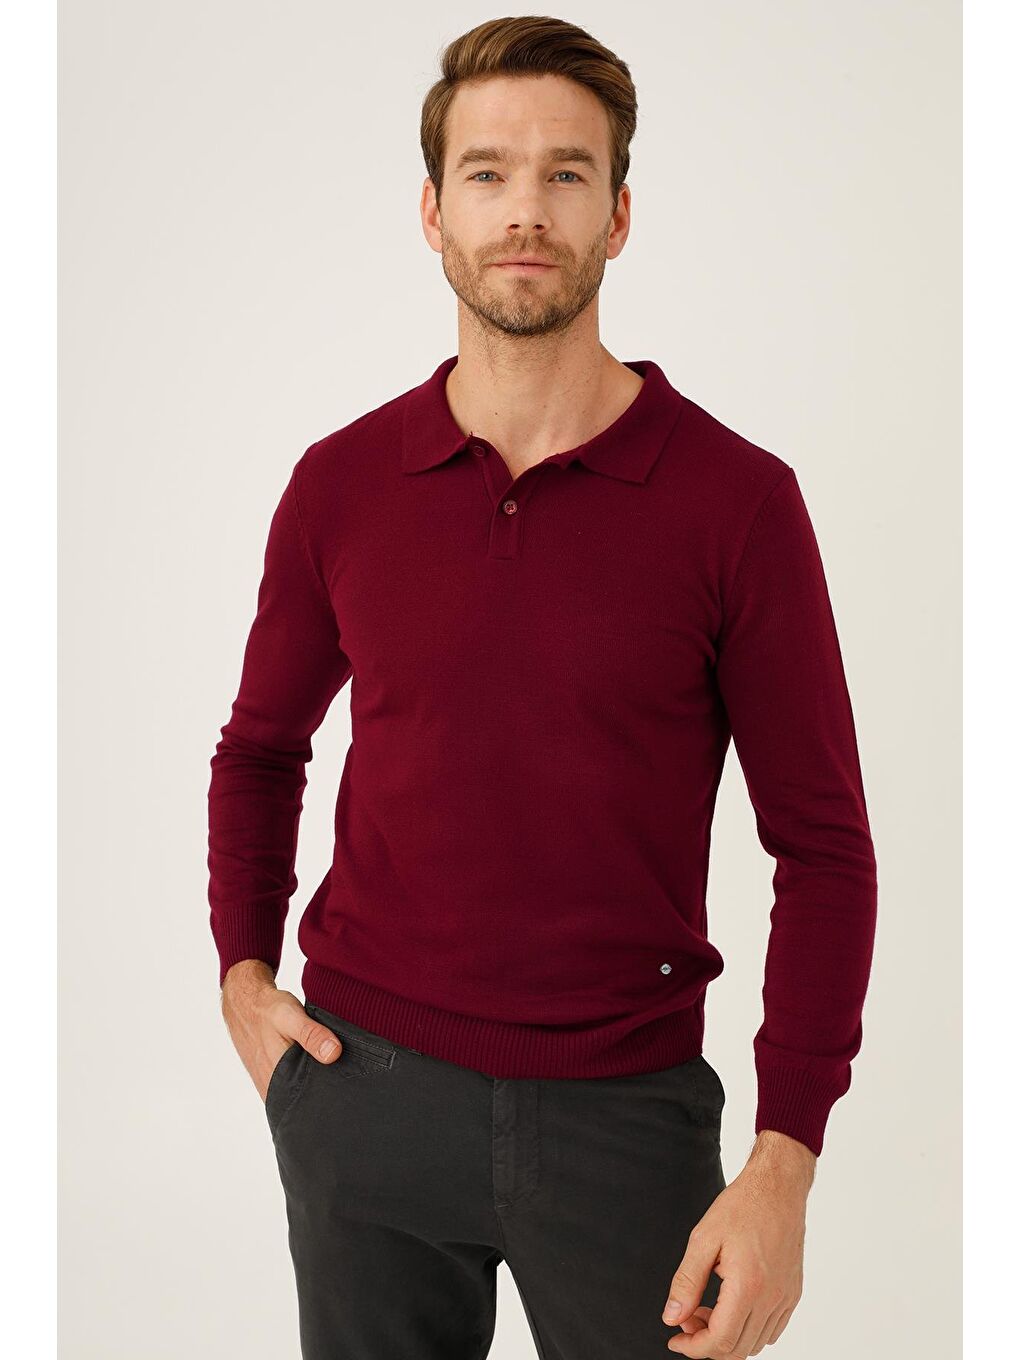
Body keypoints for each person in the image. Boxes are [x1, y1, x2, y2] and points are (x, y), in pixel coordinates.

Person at [207, 15, 878, 1360]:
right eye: (488, 172)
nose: (526, 210)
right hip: (364, 1092)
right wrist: (244, 974)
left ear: (618, 215)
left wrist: (785, 1161)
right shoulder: (341, 485)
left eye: (567, 174)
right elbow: (261, 748)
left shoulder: (738, 503)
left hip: (626, 1118)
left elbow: (823, 847)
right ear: (433, 211)